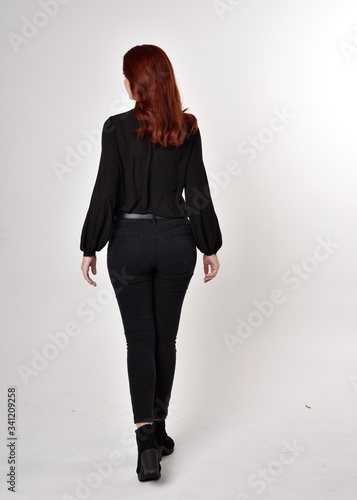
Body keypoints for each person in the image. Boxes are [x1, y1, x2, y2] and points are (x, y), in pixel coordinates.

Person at [80, 44, 222, 481]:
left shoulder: (116, 129)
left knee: (139, 341)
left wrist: (90, 244)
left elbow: (106, 189)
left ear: (135, 82)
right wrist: (209, 244)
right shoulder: (188, 129)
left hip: (130, 243)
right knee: (166, 340)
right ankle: (160, 431)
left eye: (125, 75)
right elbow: (197, 191)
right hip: (177, 242)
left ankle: (146, 443)